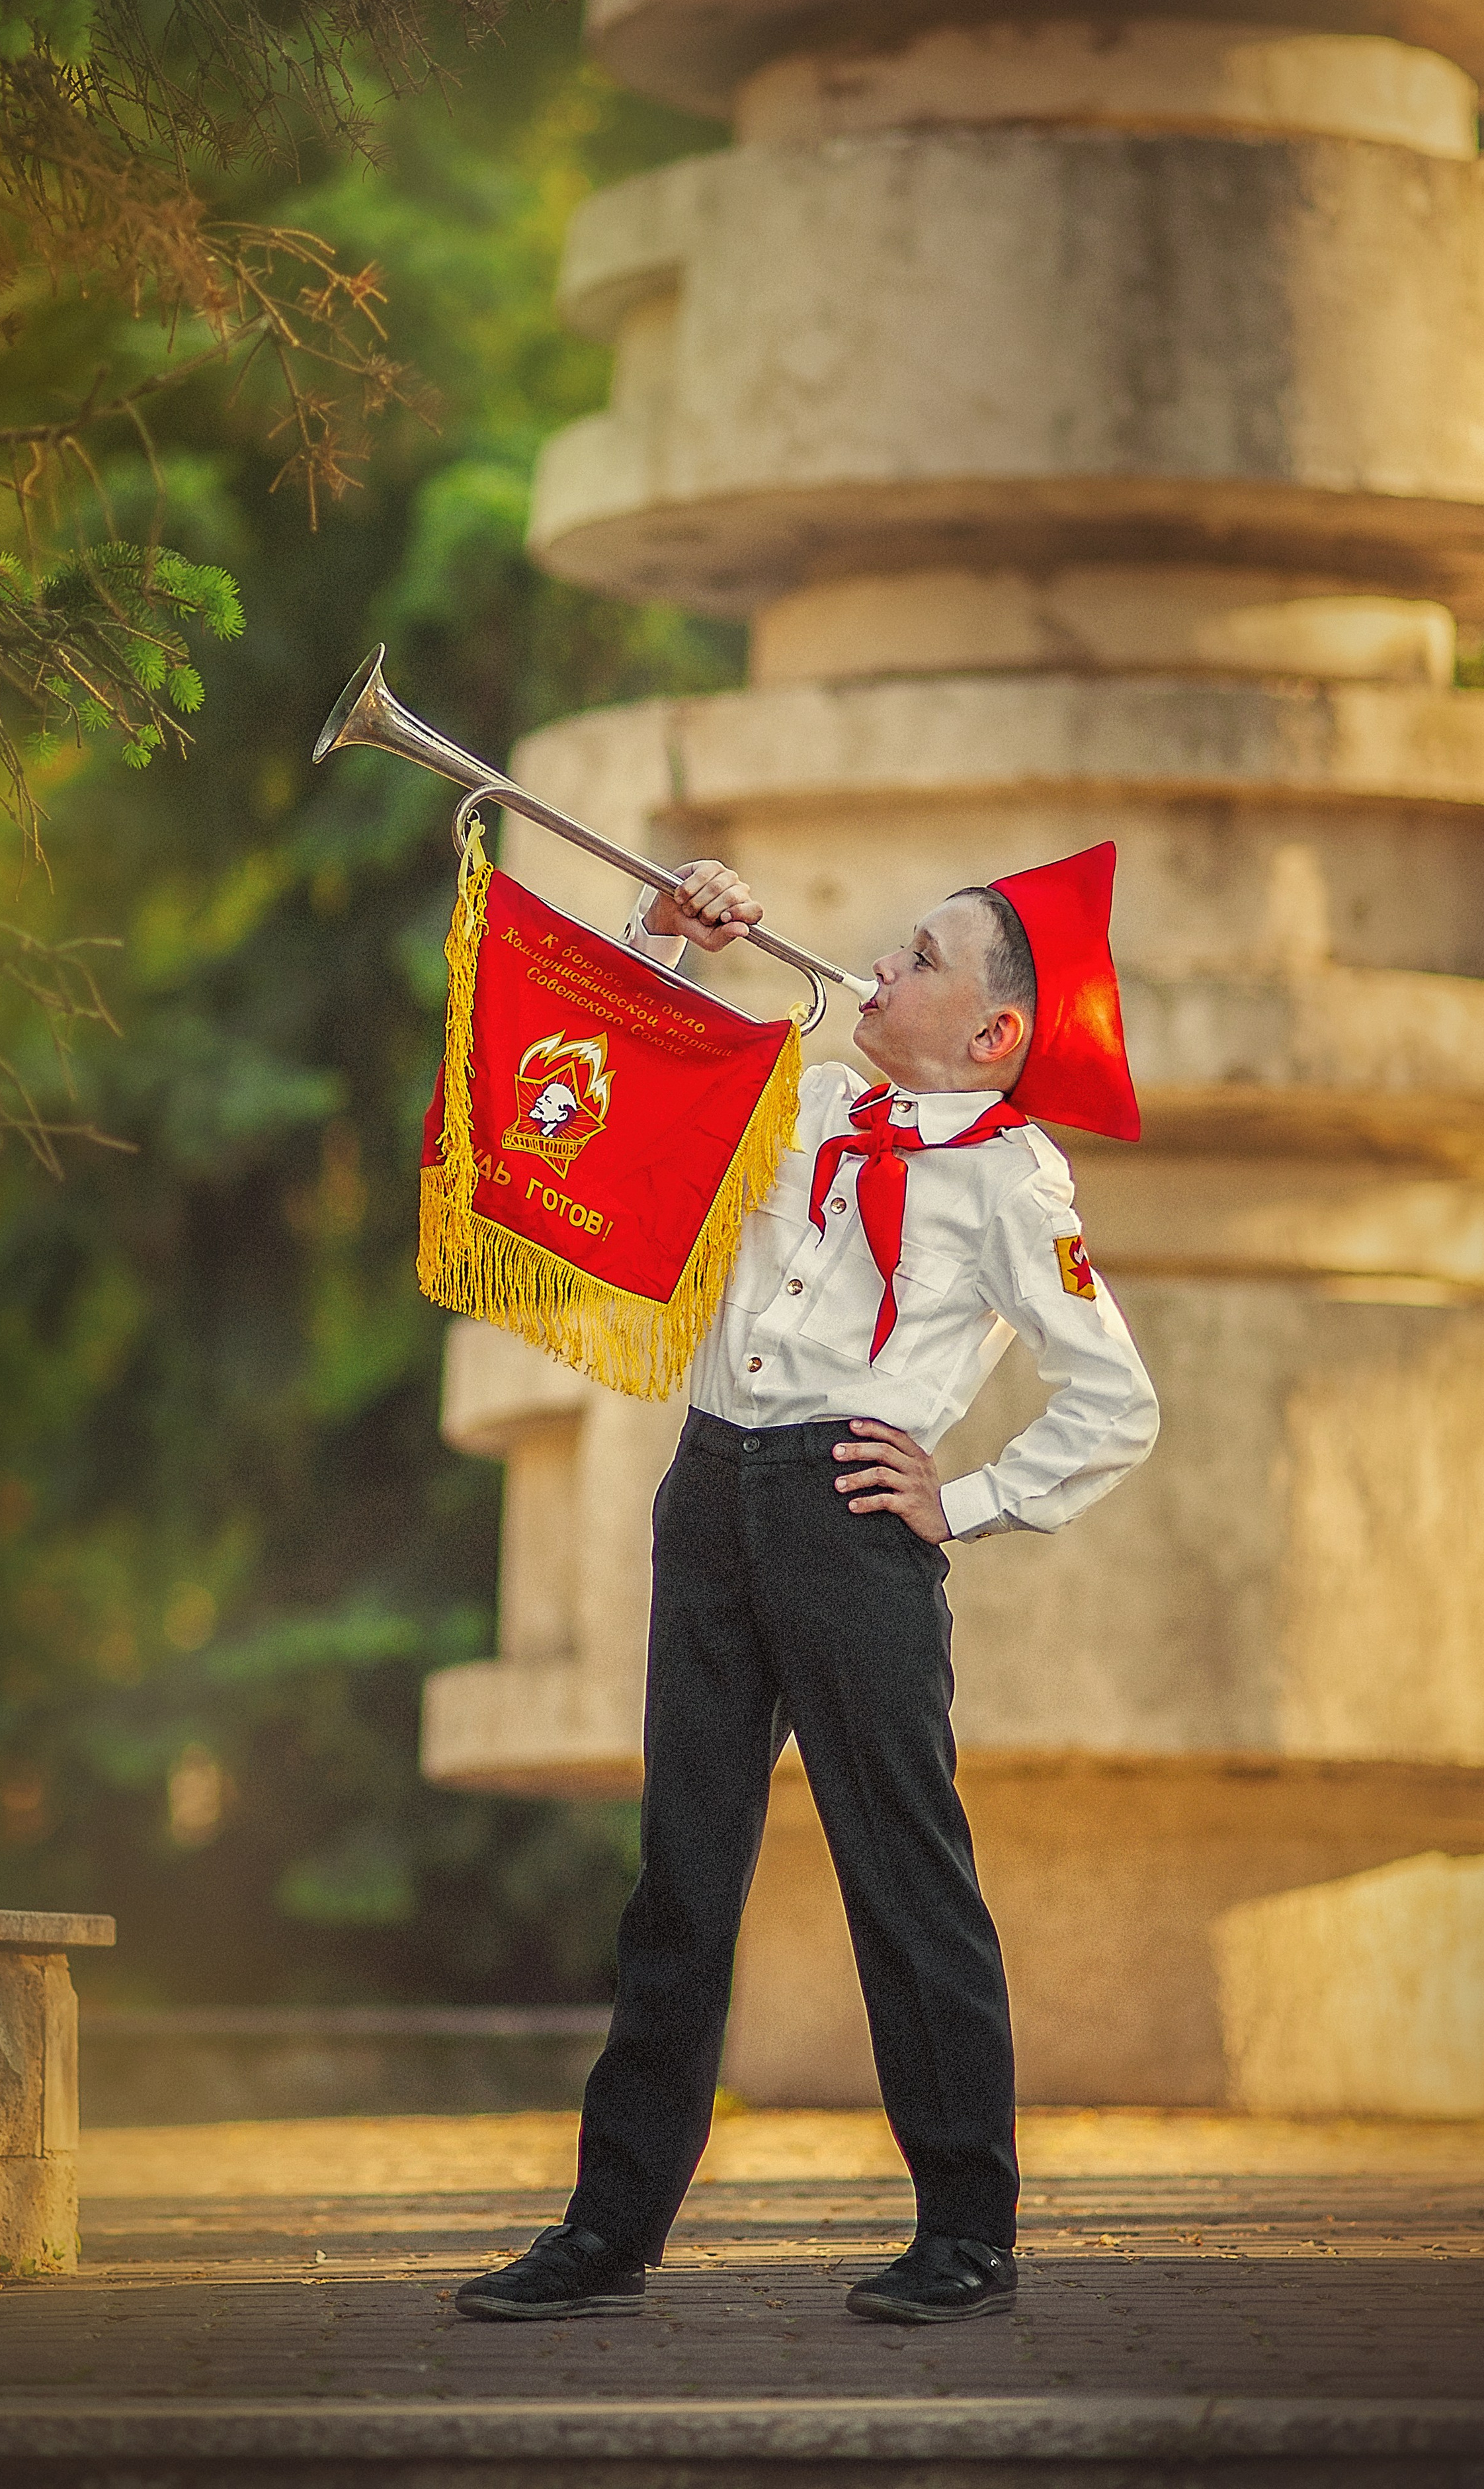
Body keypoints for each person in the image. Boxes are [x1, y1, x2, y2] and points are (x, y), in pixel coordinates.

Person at [456, 847, 1160, 2328]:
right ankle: (607, 2226)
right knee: (679, 1873)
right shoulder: (806, 1084)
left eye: (917, 960)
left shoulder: (1014, 1178)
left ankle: (966, 2228)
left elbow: (1113, 1404)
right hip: (710, 1490)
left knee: (902, 1872)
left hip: (850, 1513)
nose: (878, 968)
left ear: (990, 1036)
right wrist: (671, 932)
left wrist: (954, 1500)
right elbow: (618, 1075)